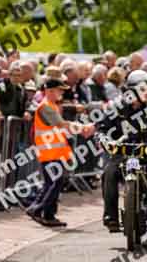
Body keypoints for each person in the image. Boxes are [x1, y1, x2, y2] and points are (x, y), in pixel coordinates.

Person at [98, 70, 147, 232]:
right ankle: (111, 217)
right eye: (142, 89)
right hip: (123, 150)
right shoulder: (116, 108)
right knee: (108, 173)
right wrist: (104, 139)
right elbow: (102, 129)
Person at [26, 76, 95, 227]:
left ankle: (43, 213)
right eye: (59, 90)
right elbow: (62, 124)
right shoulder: (46, 107)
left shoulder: (51, 105)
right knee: (55, 183)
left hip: (52, 152)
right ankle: (40, 211)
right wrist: (83, 128)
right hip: (49, 153)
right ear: (50, 91)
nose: (61, 93)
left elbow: (60, 127)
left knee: (52, 183)